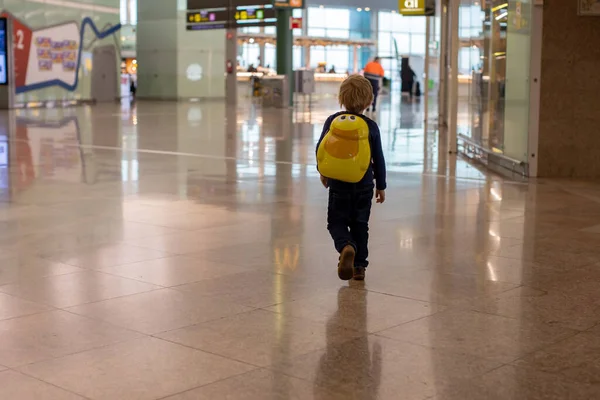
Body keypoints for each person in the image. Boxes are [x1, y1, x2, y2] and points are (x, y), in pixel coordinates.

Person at [316, 75, 387, 281]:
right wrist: (380, 186)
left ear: (341, 98)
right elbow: (379, 159)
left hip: (338, 184)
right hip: (364, 185)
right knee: (360, 224)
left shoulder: (333, 121)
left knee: (335, 222)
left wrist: (323, 172)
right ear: (368, 101)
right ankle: (359, 268)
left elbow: (321, 148)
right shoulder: (371, 127)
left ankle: (346, 246)